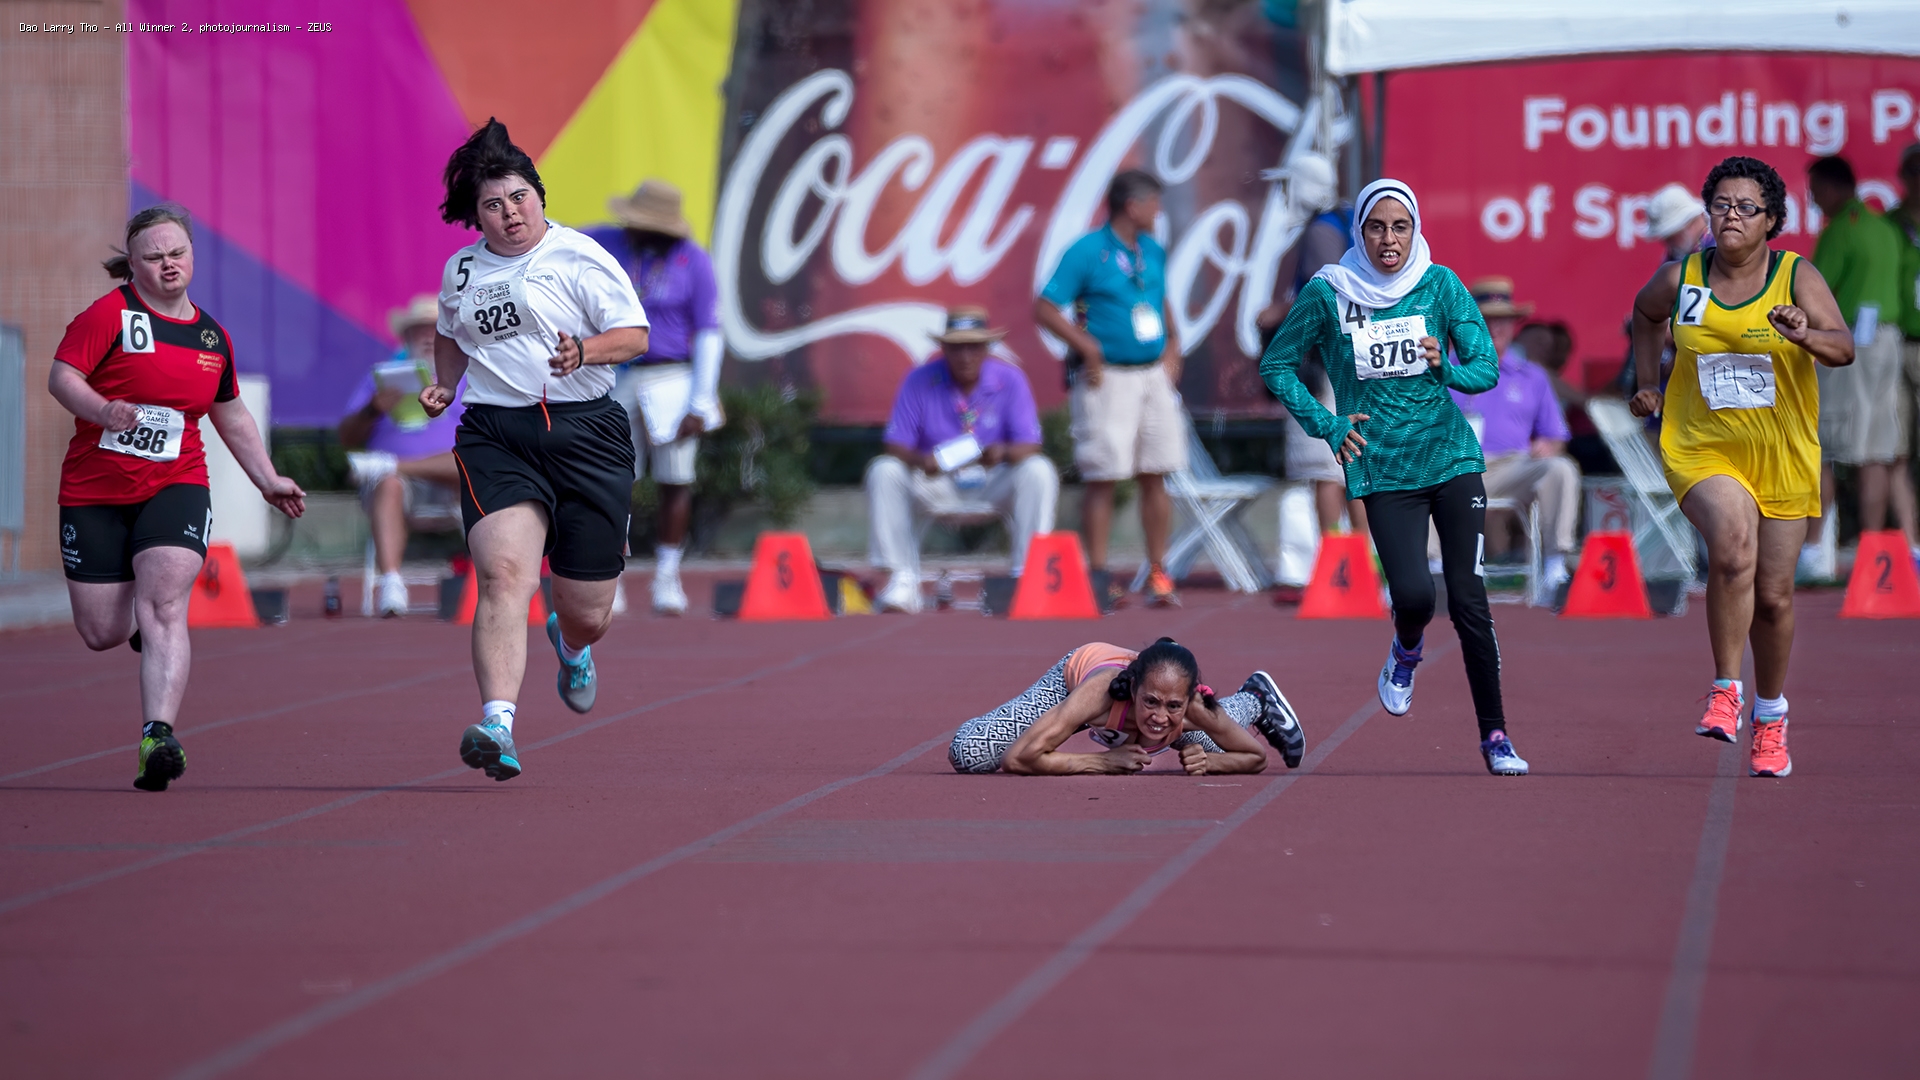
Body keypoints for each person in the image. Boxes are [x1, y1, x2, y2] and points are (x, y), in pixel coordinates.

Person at [1261, 178, 1528, 777]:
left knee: (1469, 599)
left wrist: (1447, 368)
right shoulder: (1330, 291)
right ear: (1359, 231)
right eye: (1377, 227)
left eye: (1400, 227)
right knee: (1414, 597)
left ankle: (1496, 735)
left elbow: (1485, 367)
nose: (1389, 239)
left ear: (1415, 231)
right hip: (1381, 467)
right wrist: (1327, 425)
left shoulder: (1441, 284)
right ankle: (1406, 650)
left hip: (1451, 459)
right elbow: (1276, 365)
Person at [49, 203, 306, 792]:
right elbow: (62, 377)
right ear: (132, 265)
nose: (168, 265)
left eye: (177, 253)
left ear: (192, 256)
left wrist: (267, 479)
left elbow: (230, 413)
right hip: (95, 490)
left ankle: (157, 736)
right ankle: (139, 624)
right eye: (154, 257)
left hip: (176, 481)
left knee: (165, 604)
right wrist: (101, 409)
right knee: (101, 632)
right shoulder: (108, 316)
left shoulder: (212, 337)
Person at [424, 119, 650, 782]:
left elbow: (634, 335)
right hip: (498, 435)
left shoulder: (578, 256)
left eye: (519, 197)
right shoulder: (462, 270)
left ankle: (572, 646)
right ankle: (497, 724)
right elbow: (449, 333)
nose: (510, 213)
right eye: (493, 205)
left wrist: (585, 351)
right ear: (476, 217)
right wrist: (445, 384)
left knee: (588, 613)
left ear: (539, 196)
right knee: (502, 577)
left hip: (587, 434)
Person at [1629, 155, 1853, 778]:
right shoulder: (1682, 277)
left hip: (1781, 451)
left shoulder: (1795, 276)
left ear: (1772, 220)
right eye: (1721, 205)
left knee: (1775, 599)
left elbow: (1843, 348)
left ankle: (1771, 715)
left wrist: (1805, 335)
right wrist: (1647, 381)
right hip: (1701, 444)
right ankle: (1726, 688)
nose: (1732, 216)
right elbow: (1645, 314)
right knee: (1732, 547)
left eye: (1747, 208)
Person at [1034, 169, 1186, 608]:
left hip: (1152, 374)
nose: (1158, 212)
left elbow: (1159, 298)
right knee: (1103, 475)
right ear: (1132, 207)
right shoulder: (1087, 251)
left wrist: (1174, 344)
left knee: (1157, 471)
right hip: (1107, 378)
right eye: (1153, 203)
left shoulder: (1152, 250)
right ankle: (1098, 575)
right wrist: (1087, 347)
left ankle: (1158, 572)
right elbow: (1045, 307)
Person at [584, 179, 723, 615]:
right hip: (616, 372)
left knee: (675, 478)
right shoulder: (603, 242)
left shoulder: (693, 261)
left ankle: (667, 575)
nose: (633, 228)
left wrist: (701, 400)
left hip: (672, 375)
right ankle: (611, 575)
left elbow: (709, 332)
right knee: (613, 479)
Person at [866, 306, 1058, 612]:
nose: (965, 356)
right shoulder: (919, 380)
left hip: (992, 479)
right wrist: (922, 459)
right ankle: (901, 579)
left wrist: (1003, 452)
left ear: (987, 348)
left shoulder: (1011, 379)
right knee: (884, 470)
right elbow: (895, 444)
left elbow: (1030, 445)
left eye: (974, 347)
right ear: (943, 349)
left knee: (1039, 470)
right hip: (937, 481)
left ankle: (1028, 576)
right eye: (957, 347)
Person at [1257, 156, 1368, 600]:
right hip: (1354, 364)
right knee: (1354, 466)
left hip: (1325, 368)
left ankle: (1338, 568)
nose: (1285, 195)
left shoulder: (1321, 230)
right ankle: (1367, 564)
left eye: (1291, 185)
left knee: (1327, 471)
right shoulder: (1349, 223)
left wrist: (1277, 313)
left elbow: (1326, 293)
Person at [948, 638, 1303, 775]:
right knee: (969, 754)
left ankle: (1255, 699)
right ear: (1133, 690)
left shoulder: (1191, 706)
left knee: (1215, 739)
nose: (1159, 717)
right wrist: (1101, 762)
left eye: (1173, 706)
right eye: (1150, 702)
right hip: (1074, 683)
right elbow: (1017, 759)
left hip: (1176, 704)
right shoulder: (1097, 693)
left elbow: (1255, 757)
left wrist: (1211, 762)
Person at [1804, 155, 1906, 580]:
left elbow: (1813, 293)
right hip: (1889, 341)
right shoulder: (1885, 227)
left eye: (1815, 192)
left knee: (1823, 449)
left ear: (1832, 188)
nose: (1813, 201)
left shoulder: (1840, 231)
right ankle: (1873, 555)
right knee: (1877, 452)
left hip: (1849, 347)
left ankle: (1815, 551)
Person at [1450, 277, 1579, 604]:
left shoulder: (1532, 375)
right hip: (1457, 467)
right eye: (1487, 319)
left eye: (1504, 320)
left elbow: (1556, 435)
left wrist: (1548, 446)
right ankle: (1434, 568)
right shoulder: (1444, 369)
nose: (1496, 327)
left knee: (1560, 468)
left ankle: (1555, 566)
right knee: (1421, 474)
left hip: (1512, 467)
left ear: (1513, 326)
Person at [339, 294, 466, 616]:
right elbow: (347, 438)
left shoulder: (466, 378)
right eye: (420, 330)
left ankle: (391, 464)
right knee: (389, 483)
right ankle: (392, 583)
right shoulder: (381, 378)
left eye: (435, 329)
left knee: (471, 460)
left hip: (453, 481)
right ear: (407, 337)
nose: (427, 337)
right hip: (397, 489)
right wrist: (372, 409)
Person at [1883, 143, 1920, 568]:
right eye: (1913, 172)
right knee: (1896, 448)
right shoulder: (1890, 225)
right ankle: (1911, 543)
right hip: (1899, 342)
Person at [1647, 182, 1712, 263]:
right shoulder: (1672, 259)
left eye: (1671, 236)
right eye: (1666, 238)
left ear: (1691, 223)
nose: (1669, 243)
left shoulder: (1721, 248)